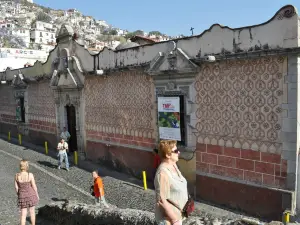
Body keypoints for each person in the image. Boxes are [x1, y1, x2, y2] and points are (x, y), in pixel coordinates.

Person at [154, 140, 188, 225]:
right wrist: (174, 219)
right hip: (169, 221)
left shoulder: (174, 165)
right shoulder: (162, 173)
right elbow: (162, 200)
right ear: (168, 155)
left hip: (178, 216)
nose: (179, 152)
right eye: (176, 151)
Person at [15, 159, 39, 225]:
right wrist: (37, 195)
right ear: (27, 166)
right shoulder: (30, 175)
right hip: (31, 195)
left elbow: (16, 188)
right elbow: (34, 186)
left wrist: (19, 195)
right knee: (32, 212)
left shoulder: (17, 175)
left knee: (23, 214)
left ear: (20, 166)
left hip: (22, 196)